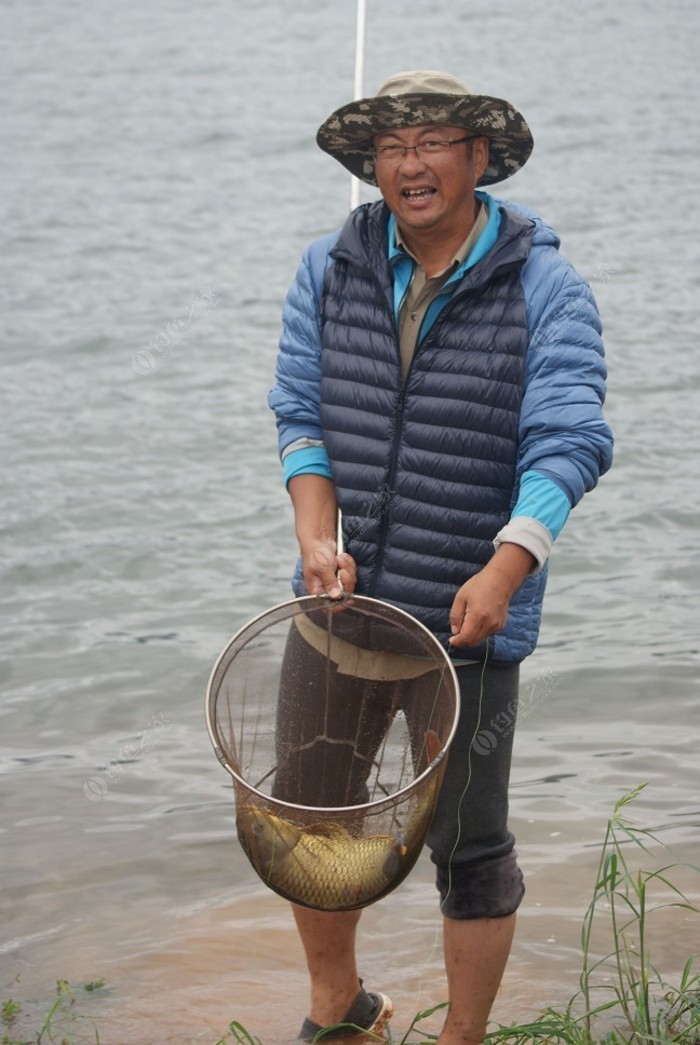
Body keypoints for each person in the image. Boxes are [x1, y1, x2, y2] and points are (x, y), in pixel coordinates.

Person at [268, 70, 613, 1044]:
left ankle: (461, 1037)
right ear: (370, 166)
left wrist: (507, 566)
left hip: (467, 634)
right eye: (391, 146)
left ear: (477, 157)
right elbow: (302, 416)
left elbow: (570, 441)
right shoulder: (326, 270)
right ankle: (341, 1011)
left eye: (432, 141)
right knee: (309, 822)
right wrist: (313, 534)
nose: (410, 163)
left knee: (469, 850)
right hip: (339, 610)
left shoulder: (544, 285)